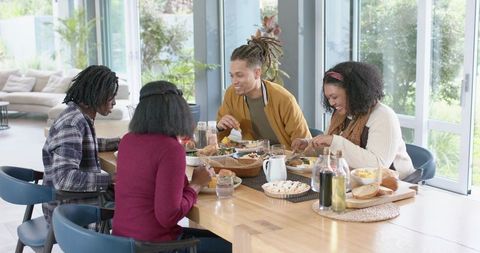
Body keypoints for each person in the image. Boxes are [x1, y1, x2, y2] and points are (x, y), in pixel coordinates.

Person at [112, 81, 231, 253]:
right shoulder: (169, 149)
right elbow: (168, 216)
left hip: (122, 243)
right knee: (237, 246)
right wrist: (197, 184)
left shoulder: (127, 140)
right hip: (156, 247)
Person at [292, 61, 416, 180]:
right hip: (355, 181)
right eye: (328, 98)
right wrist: (309, 144)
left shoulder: (383, 116)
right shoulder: (341, 114)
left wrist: (333, 141)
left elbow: (379, 166)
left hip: (396, 185)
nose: (331, 103)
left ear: (353, 92)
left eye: (334, 97)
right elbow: (330, 149)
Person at [42, 65, 120, 223]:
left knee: (134, 195)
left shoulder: (76, 115)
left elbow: (83, 144)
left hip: (73, 202)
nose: (115, 102)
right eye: (111, 97)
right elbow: (64, 178)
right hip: (71, 211)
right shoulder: (72, 123)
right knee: (143, 209)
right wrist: (110, 179)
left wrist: (122, 142)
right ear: (97, 94)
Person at [216, 36, 311, 149]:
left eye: (239, 75)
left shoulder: (284, 99)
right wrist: (219, 128)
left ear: (257, 73)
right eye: (232, 76)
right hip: (251, 159)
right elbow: (221, 140)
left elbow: (304, 143)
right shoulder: (231, 94)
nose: (234, 81)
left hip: (284, 161)